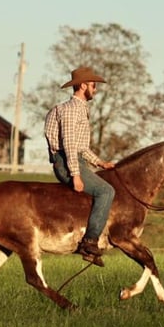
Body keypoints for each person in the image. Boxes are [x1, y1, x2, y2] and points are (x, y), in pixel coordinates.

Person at [44, 66, 116, 267]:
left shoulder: (81, 109)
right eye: (93, 85)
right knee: (106, 191)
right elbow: (68, 145)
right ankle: (90, 242)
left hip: (75, 159)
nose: (95, 89)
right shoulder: (69, 110)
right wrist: (75, 175)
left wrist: (100, 162)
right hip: (66, 162)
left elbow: (81, 147)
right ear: (83, 85)